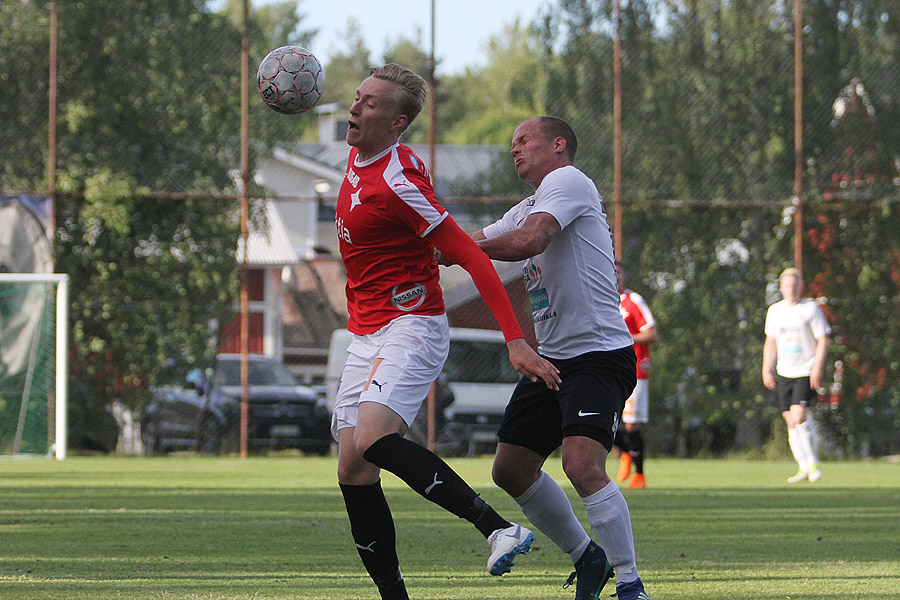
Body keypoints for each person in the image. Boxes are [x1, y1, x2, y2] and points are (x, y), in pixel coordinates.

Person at [331, 64, 562, 600]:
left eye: (371, 104)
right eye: (358, 98)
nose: (357, 108)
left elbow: (471, 258)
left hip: (412, 326)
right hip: (366, 332)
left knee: (373, 440)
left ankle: (498, 528)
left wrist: (515, 339)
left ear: (398, 122)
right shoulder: (357, 156)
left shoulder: (397, 183)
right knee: (353, 470)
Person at [442, 116, 652, 600]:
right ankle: (587, 557)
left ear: (558, 145)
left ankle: (630, 583)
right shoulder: (530, 204)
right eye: (511, 143)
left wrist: (459, 249)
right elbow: (478, 243)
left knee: (581, 465)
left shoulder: (568, 181)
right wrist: (431, 243)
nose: (514, 149)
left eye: (524, 140)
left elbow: (528, 242)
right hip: (555, 358)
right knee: (510, 469)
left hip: (598, 354)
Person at [762, 267, 830, 483]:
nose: (791, 289)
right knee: (791, 421)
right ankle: (803, 467)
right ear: (781, 287)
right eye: (787, 285)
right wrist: (766, 368)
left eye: (795, 285)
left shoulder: (810, 309)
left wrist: (817, 367)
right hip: (784, 371)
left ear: (801, 286)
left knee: (800, 415)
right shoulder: (775, 311)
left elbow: (823, 339)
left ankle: (813, 464)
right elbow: (770, 341)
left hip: (805, 370)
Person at [613, 263, 658, 489]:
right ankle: (626, 452)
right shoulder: (601, 299)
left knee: (631, 425)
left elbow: (651, 333)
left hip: (635, 368)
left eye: (618, 272)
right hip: (607, 367)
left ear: (624, 275)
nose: (614, 276)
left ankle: (639, 475)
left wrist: (623, 338)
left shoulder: (634, 301)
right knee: (605, 418)